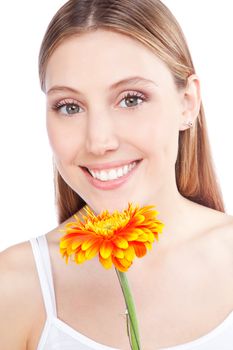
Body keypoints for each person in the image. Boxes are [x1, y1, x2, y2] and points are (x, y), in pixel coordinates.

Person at [1, 0, 233, 349]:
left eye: (131, 99)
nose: (99, 141)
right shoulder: (15, 285)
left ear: (187, 103)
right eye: (70, 106)